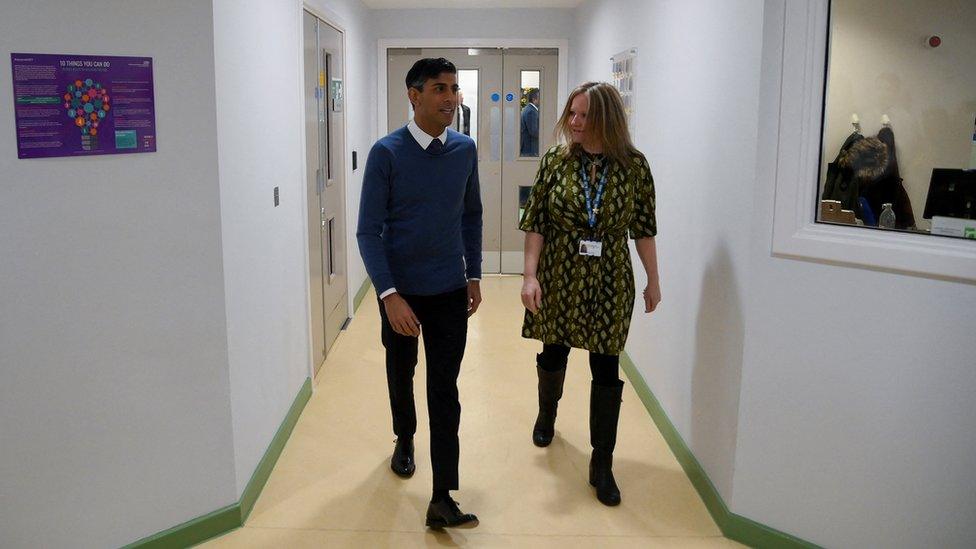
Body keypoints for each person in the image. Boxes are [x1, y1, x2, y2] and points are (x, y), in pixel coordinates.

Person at [518, 81, 661, 507]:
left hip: (610, 280)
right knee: (554, 352)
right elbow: (536, 221)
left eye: (584, 115)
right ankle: (548, 412)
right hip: (559, 272)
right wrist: (529, 276)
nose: (575, 122)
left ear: (607, 119)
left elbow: (645, 229)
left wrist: (654, 279)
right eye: (572, 114)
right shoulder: (555, 162)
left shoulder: (635, 166)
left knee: (606, 366)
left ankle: (602, 462)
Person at [357, 57, 483, 529]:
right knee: (401, 370)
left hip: (450, 288)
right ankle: (404, 437)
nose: (451, 98)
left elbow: (471, 216)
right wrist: (389, 295)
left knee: (444, 389)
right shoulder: (386, 153)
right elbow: (368, 232)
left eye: (454, 89)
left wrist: (475, 275)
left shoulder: (464, 150)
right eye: (439, 88)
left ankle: (442, 495)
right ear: (414, 95)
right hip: (402, 294)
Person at [520, 88, 540, 156]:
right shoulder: (531, 112)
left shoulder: (528, 109)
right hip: (530, 150)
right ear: (534, 99)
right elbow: (534, 132)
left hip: (527, 149)